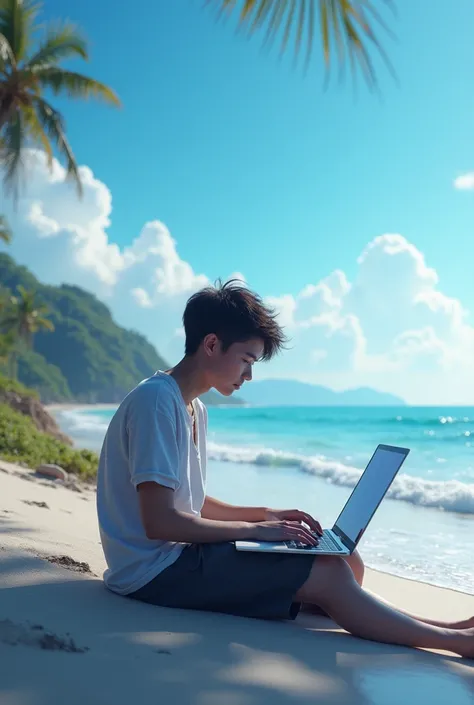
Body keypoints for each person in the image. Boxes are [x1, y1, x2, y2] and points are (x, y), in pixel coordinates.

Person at [96, 280, 474, 658]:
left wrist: (266, 516)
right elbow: (161, 522)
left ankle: (443, 627)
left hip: (177, 558)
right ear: (211, 345)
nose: (249, 375)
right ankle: (457, 643)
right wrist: (258, 531)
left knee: (344, 561)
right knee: (329, 574)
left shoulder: (193, 407)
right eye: (246, 360)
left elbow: (189, 502)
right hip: (153, 573)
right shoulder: (156, 402)